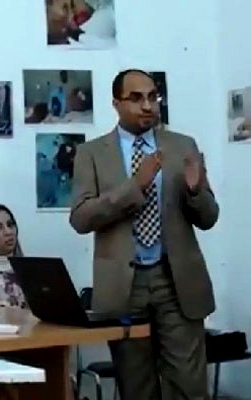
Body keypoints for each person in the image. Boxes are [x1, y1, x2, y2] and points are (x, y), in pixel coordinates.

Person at [69, 69, 218, 400]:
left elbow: (209, 218)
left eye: (153, 97)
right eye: (136, 98)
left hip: (176, 281)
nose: (148, 105)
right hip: (124, 287)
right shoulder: (92, 153)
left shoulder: (183, 146)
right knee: (137, 389)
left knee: (189, 388)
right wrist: (134, 186)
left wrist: (196, 192)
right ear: (116, 104)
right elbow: (80, 218)